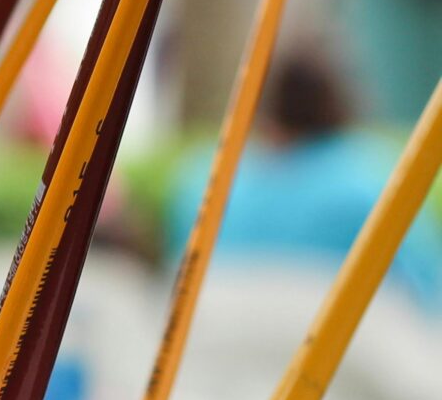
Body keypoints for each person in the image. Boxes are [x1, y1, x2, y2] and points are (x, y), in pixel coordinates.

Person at [165, 41, 442, 311]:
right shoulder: (373, 180)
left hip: (212, 347)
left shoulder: (206, 181)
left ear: (265, 111)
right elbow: (423, 296)